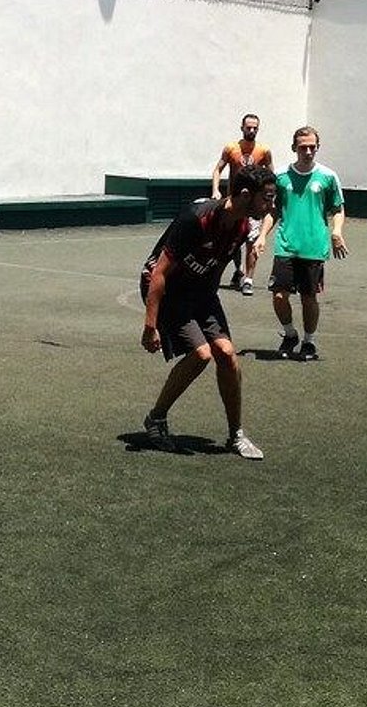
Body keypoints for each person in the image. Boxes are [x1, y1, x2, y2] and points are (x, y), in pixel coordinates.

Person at [139, 163, 278, 459]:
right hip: (169, 290)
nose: (271, 205)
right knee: (201, 354)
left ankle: (236, 435)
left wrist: (208, 305)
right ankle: (156, 419)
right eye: (266, 198)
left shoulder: (241, 226)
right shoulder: (196, 219)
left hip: (201, 292)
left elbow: (216, 268)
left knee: (226, 354)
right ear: (245, 194)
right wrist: (150, 326)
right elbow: (159, 273)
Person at [260, 126, 347, 361]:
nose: (308, 152)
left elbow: (338, 209)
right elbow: (273, 211)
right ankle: (290, 334)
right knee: (279, 296)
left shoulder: (328, 176)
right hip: (286, 245)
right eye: (303, 147)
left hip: (314, 247)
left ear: (317, 147)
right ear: (294, 148)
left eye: (312, 147)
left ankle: (309, 341)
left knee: (309, 298)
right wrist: (262, 236)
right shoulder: (281, 176)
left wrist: (336, 232)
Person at [211, 113, 274, 295]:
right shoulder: (231, 148)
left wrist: (270, 199)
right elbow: (217, 169)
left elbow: (272, 176)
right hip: (235, 203)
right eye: (249, 127)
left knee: (251, 240)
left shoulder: (264, 151)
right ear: (242, 128)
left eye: (255, 128)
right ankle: (237, 270)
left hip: (253, 206)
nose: (252, 131)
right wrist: (216, 190)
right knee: (230, 240)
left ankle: (248, 279)